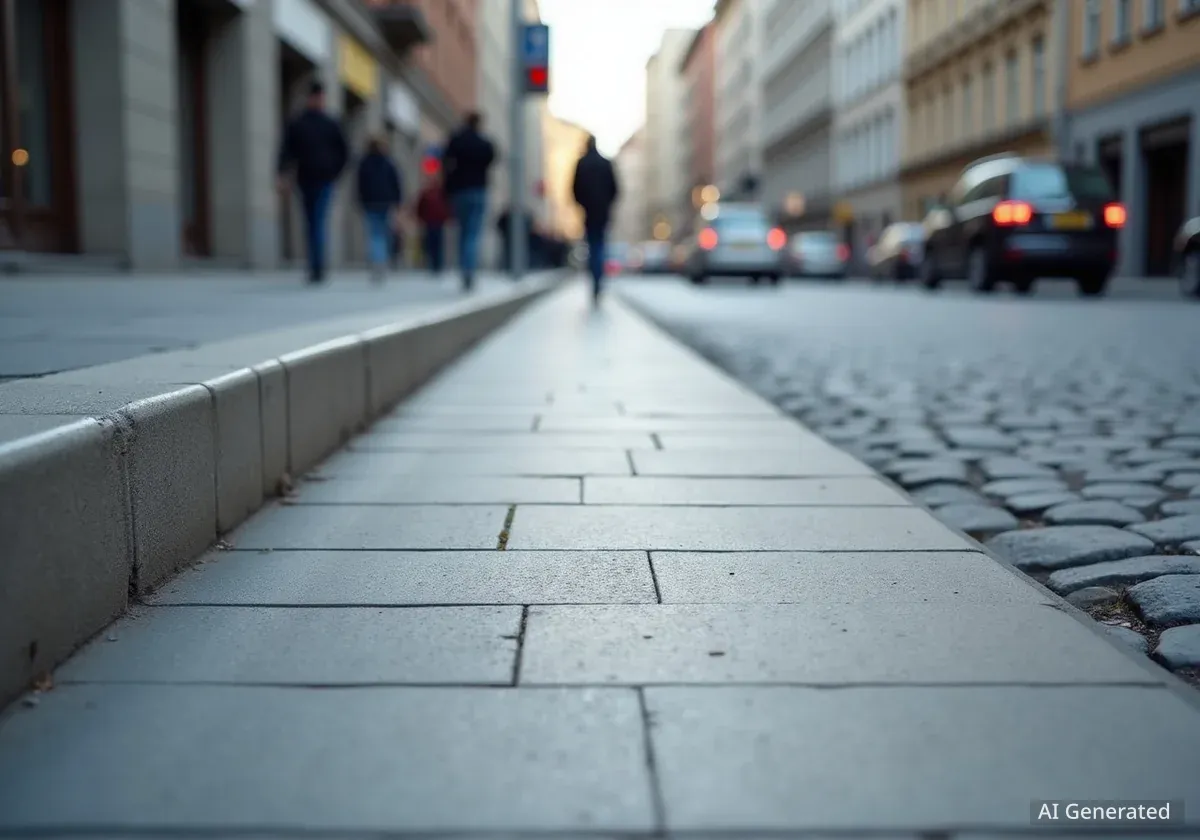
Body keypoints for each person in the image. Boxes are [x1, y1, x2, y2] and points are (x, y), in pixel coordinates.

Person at [277, 81, 349, 284]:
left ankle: (317, 267)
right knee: (311, 223)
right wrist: (282, 173)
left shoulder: (330, 124)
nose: (318, 101)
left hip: (324, 180)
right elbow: (286, 150)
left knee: (317, 221)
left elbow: (344, 152)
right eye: (316, 97)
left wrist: (334, 173)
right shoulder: (299, 123)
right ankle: (315, 265)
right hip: (305, 179)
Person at [441, 112, 497, 291]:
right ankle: (469, 270)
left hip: (460, 191)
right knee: (473, 233)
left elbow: (446, 163)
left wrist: (447, 187)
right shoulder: (484, 143)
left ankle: (465, 269)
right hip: (478, 191)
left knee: (463, 232)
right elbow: (491, 159)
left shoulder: (456, 140)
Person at [571, 134, 620, 303]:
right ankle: (598, 279)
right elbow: (615, 188)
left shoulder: (582, 163)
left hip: (589, 212)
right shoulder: (605, 163)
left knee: (592, 246)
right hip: (602, 212)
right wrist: (607, 204)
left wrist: (582, 204)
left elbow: (575, 189)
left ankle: (595, 278)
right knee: (600, 246)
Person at [355, 134, 404, 283]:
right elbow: (396, 183)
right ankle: (381, 260)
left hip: (370, 202)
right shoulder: (388, 162)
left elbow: (360, 184)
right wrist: (397, 201)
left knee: (374, 233)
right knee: (382, 233)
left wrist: (360, 200)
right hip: (385, 202)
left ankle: (377, 261)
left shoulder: (364, 163)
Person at [415, 170, 451, 275]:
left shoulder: (439, 193)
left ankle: (436, 264)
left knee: (435, 244)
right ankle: (435, 264)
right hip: (431, 222)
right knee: (433, 244)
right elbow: (420, 207)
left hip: (436, 222)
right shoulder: (431, 193)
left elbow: (446, 207)